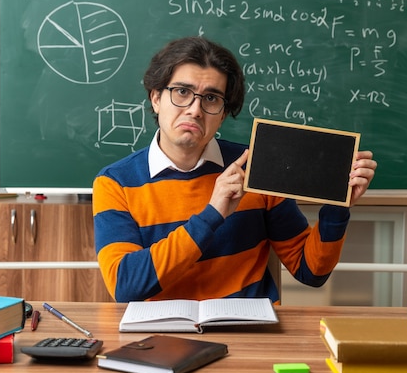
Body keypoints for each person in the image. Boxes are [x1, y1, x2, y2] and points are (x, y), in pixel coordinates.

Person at [92, 36, 377, 303]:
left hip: (250, 334)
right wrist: (212, 215)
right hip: (161, 338)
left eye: (211, 99)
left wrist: (337, 207)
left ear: (224, 113)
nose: (194, 109)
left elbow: (310, 271)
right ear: (156, 97)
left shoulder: (256, 167)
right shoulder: (115, 183)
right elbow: (125, 285)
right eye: (182, 92)